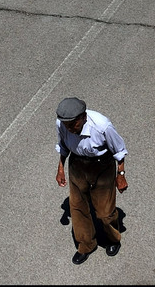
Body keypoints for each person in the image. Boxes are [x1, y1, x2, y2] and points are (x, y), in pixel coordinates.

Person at [54, 96, 128, 264]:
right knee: (77, 208)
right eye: (67, 125)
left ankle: (112, 239)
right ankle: (86, 245)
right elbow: (64, 146)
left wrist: (121, 175)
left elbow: (119, 150)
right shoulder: (62, 124)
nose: (71, 128)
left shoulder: (102, 126)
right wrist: (60, 169)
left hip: (101, 167)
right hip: (77, 166)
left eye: (74, 124)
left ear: (84, 117)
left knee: (104, 212)